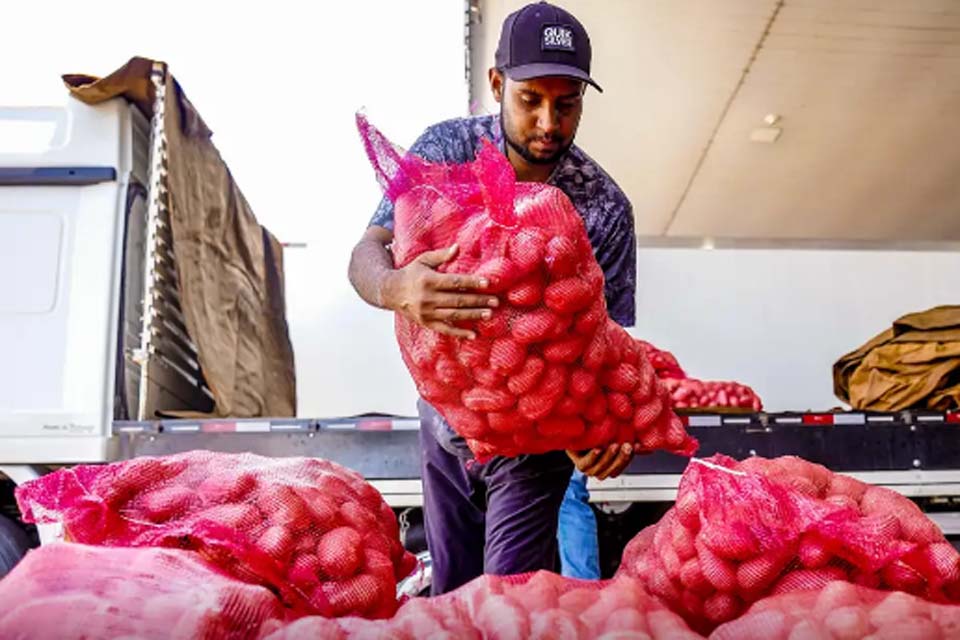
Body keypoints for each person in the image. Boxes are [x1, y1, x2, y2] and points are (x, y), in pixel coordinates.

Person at [348, 1, 636, 594]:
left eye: (568, 102)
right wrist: (397, 286)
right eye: (531, 99)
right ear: (498, 84)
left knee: (509, 603)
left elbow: (607, 346)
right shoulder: (445, 150)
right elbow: (365, 254)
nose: (549, 123)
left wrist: (603, 422)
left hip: (536, 442)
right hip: (443, 426)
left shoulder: (603, 205)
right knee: (452, 596)